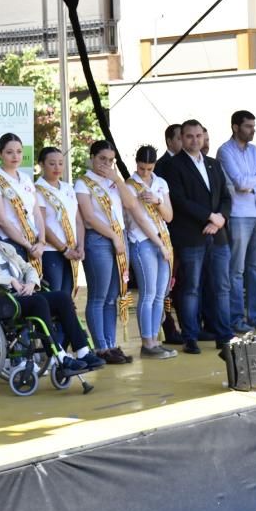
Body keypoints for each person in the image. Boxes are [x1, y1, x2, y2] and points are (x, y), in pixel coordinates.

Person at [0, 203, 103, 373]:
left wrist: (31, 283)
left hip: (18, 296)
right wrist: (10, 279)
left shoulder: (5, 247)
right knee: (38, 301)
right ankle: (59, 356)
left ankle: (83, 351)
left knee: (62, 298)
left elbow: (28, 268)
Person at [76, 140, 163, 364]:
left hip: (119, 237)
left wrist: (116, 179)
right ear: (92, 158)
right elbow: (89, 216)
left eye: (110, 160)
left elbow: (132, 205)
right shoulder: (83, 183)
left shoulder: (114, 182)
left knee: (112, 296)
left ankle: (111, 344)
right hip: (99, 239)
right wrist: (114, 237)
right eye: (102, 159)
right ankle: (101, 347)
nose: (106, 164)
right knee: (99, 295)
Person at [165, 120, 234, 354]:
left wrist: (220, 219)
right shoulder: (174, 166)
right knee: (191, 287)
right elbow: (180, 200)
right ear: (182, 138)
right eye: (189, 136)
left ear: (204, 137)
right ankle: (191, 337)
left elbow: (226, 196)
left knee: (222, 287)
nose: (195, 140)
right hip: (191, 235)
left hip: (218, 235)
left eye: (198, 136)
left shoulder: (214, 164)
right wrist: (209, 217)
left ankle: (224, 335)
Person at [216, 110, 256, 333]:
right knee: (237, 270)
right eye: (248, 126)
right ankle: (237, 318)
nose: (253, 129)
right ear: (235, 127)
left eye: (253, 125)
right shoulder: (225, 151)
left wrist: (255, 185)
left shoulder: (255, 150)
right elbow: (240, 183)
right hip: (239, 215)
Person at [125, 145, 176, 359]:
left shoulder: (160, 183)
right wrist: (160, 245)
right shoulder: (129, 185)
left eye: (149, 168)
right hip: (143, 240)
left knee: (160, 293)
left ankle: (155, 339)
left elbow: (169, 216)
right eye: (141, 168)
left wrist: (158, 200)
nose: (145, 172)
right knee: (148, 292)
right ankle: (146, 342)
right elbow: (139, 220)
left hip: (163, 238)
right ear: (136, 164)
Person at [0, 133, 46, 274]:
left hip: (34, 244)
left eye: (19, 152)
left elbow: (36, 213)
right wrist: (28, 245)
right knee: (20, 291)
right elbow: (1, 219)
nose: (15, 156)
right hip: (10, 244)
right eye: (9, 152)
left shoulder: (26, 178)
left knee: (37, 289)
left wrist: (41, 242)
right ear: (0, 154)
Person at [35, 146, 82, 298]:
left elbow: (78, 220)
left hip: (72, 250)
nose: (57, 167)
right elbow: (41, 224)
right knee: (54, 296)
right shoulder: (38, 189)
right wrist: (64, 249)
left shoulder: (68, 188)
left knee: (67, 297)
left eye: (61, 163)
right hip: (51, 251)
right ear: (42, 164)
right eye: (52, 163)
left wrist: (80, 246)